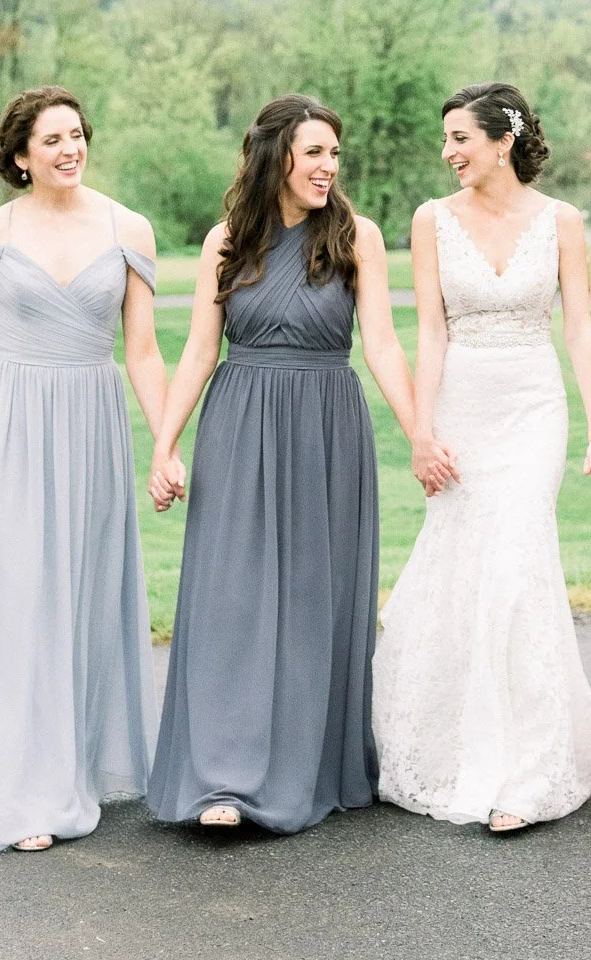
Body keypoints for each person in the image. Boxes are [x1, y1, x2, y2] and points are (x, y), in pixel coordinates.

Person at [146, 95, 439, 832]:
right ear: (277, 155)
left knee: (313, 602)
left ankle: (306, 768)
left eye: (334, 154)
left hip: (325, 426)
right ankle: (222, 778)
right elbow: (197, 352)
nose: (327, 167)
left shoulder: (355, 234)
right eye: (314, 153)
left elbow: (381, 345)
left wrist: (419, 435)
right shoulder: (226, 239)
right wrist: (164, 443)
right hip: (239, 422)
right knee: (230, 602)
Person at [0, 87, 167, 853]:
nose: (69, 149)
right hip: (11, 427)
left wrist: (164, 443)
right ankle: (18, 790)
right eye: (50, 139)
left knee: (79, 597)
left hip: (91, 428)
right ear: (21, 156)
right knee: (17, 602)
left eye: (76, 135)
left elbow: (144, 352)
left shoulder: (131, 228)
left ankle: (71, 769)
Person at [372, 82, 591, 833]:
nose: (448, 153)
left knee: (517, 565)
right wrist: (421, 430)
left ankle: (529, 768)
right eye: (446, 140)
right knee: (460, 566)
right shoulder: (430, 220)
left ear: (502, 140)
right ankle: (449, 749)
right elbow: (430, 333)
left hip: (531, 406)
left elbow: (579, 330)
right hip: (459, 406)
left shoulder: (561, 221)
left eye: (460, 138)